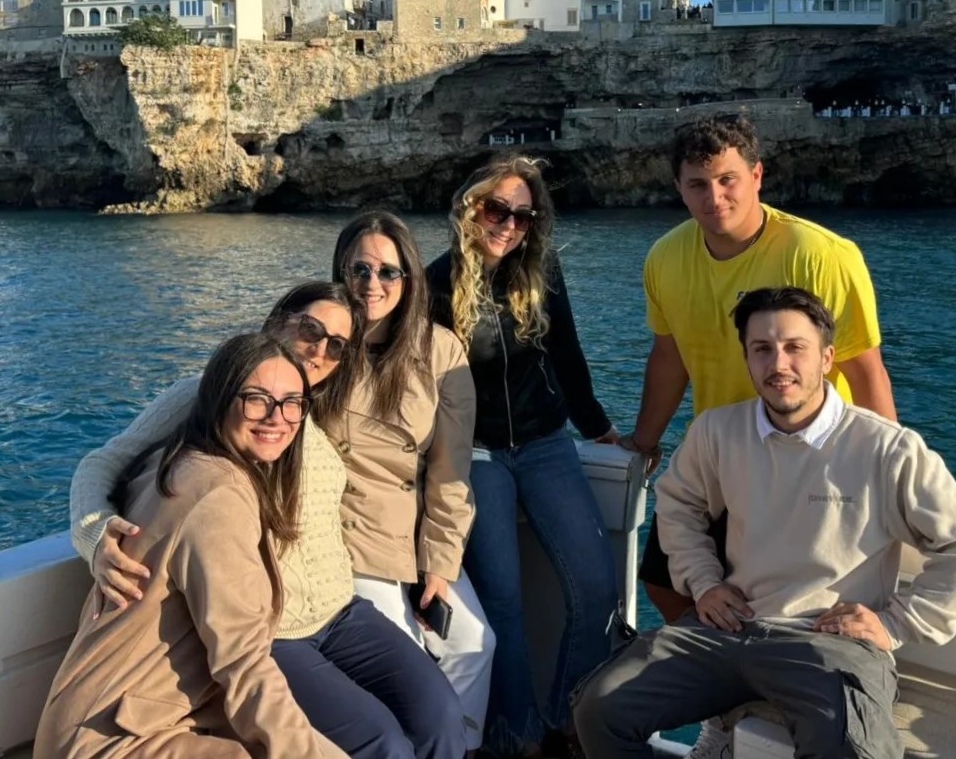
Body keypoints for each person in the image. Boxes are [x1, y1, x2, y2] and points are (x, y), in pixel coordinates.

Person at [573, 287, 956, 759]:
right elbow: (679, 506)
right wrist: (704, 583)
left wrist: (896, 624)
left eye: (794, 348)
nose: (778, 364)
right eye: (762, 349)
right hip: (727, 629)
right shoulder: (717, 433)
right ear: (747, 359)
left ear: (827, 358)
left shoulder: (886, 449)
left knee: (853, 751)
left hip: (826, 643)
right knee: (599, 710)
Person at [67, 282, 467, 759]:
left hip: (342, 611)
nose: (321, 351)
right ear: (280, 321)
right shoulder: (209, 397)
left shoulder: (311, 413)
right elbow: (104, 462)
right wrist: (95, 534)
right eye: (311, 330)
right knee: (381, 740)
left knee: (442, 713)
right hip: (275, 630)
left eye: (338, 346)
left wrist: (433, 559)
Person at [618, 113, 897, 757]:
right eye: (696, 185)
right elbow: (670, 357)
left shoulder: (821, 255)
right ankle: (731, 690)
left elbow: (864, 367)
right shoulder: (665, 258)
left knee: (792, 606)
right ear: (677, 187)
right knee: (661, 576)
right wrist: (643, 440)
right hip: (721, 464)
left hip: (813, 468)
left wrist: (886, 469)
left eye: (727, 180)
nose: (714, 199)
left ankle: (764, 690)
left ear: (757, 176)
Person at [37, 334, 344, 759]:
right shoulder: (218, 495)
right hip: (115, 741)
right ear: (219, 398)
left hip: (112, 718)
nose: (278, 418)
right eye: (257, 399)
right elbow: (244, 665)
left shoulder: (178, 460)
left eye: (293, 402)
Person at [426, 157, 619, 758]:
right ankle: (521, 735)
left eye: (523, 216)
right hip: (475, 453)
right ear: (470, 207)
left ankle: (569, 715)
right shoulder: (432, 285)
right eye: (497, 209)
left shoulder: (543, 272)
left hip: (546, 443)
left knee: (596, 586)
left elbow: (569, 358)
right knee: (503, 600)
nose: (509, 225)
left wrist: (603, 430)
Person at [332, 211, 495, 754]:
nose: (371, 285)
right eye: (359, 269)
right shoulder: (321, 342)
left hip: (412, 533)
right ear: (340, 272)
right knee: (406, 663)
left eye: (388, 272)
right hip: (346, 537)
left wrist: (441, 566)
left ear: (409, 281)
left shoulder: (440, 350)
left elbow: (451, 472)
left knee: (476, 644)